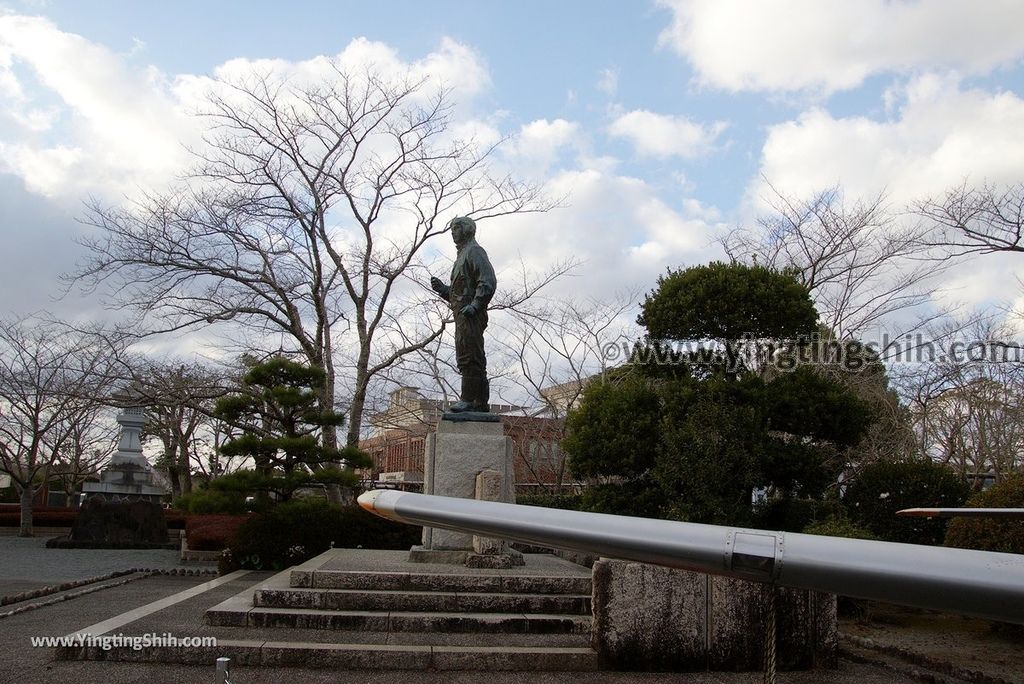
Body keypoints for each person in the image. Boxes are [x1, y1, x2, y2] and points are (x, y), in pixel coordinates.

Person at [430, 216, 496, 413]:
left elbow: (487, 281)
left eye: (456, 228)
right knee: (469, 354)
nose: (453, 232)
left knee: (470, 355)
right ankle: (479, 401)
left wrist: (476, 305)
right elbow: (460, 292)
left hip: (470, 315)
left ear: (467, 230)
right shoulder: (462, 256)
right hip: (462, 314)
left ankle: (469, 399)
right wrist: (443, 290)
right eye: (451, 228)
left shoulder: (474, 251)